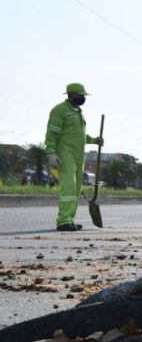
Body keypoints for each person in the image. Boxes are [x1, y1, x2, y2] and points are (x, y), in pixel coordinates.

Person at [45, 83, 102, 231]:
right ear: (70, 95)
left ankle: (69, 219)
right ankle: (63, 221)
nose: (83, 98)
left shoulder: (78, 112)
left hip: (79, 156)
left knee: (76, 189)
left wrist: (94, 140)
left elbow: (80, 135)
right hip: (65, 155)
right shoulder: (60, 110)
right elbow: (52, 133)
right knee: (68, 187)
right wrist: (51, 153)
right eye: (80, 95)